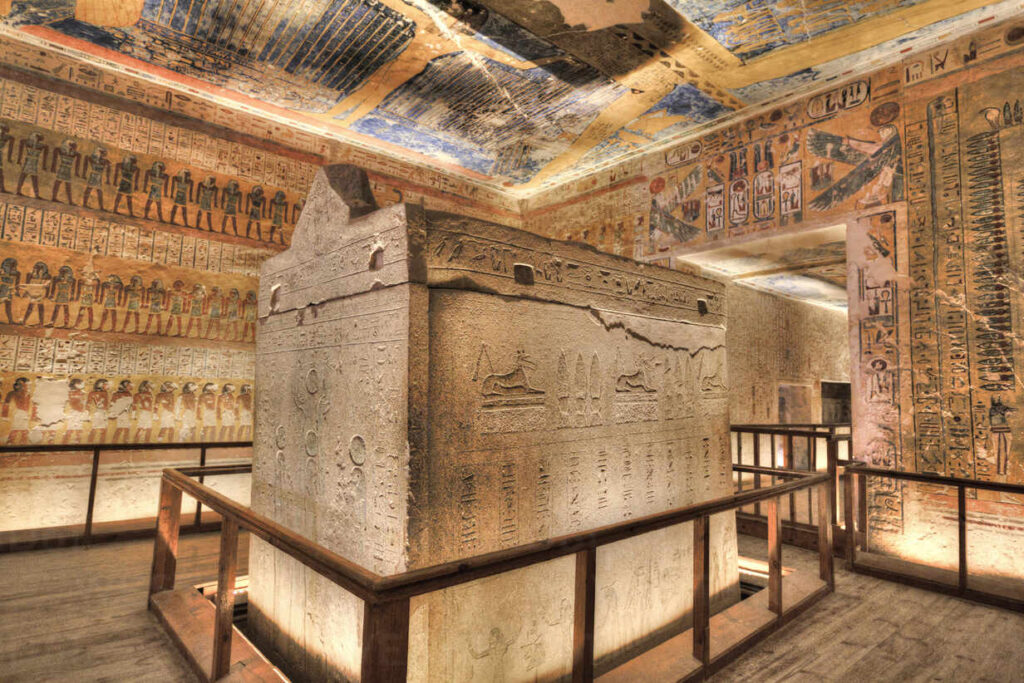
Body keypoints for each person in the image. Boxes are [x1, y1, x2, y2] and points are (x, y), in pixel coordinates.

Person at [15, 132, 48, 198]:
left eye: (38, 138)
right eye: (36, 138)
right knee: (24, 176)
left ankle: (36, 194)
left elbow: (46, 147)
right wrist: (19, 159)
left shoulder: (39, 145)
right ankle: (18, 191)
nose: (36, 139)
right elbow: (22, 141)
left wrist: (44, 165)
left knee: (33, 178)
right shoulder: (29, 143)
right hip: (29, 161)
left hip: (33, 162)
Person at [2, 377, 34, 445]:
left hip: (24, 415)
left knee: (24, 432)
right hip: (18, 414)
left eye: (29, 385)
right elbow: (6, 404)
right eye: (27, 385)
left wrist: (32, 416)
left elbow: (31, 405)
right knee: (16, 430)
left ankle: (22, 445)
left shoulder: (28, 394)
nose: (28, 387)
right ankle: (10, 444)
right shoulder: (12, 393)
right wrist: (4, 415)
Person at [50, 139, 80, 204]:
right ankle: (54, 198)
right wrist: (53, 166)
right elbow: (56, 149)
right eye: (74, 146)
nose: (75, 148)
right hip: (62, 168)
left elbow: (78, 155)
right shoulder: (63, 151)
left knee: (67, 185)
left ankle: (70, 201)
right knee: (58, 183)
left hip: (67, 170)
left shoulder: (73, 153)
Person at [109, 379, 134, 443]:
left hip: (125, 413)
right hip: (120, 413)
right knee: (123, 428)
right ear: (124, 386)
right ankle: (116, 443)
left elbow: (130, 405)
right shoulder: (117, 394)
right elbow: (112, 403)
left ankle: (120, 442)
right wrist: (112, 413)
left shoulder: (129, 394)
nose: (130, 386)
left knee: (124, 428)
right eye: (129, 385)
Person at [63, 378, 86, 444]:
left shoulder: (82, 393)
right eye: (81, 383)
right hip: (74, 412)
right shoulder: (71, 393)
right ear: (76, 384)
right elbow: (71, 402)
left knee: (78, 429)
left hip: (80, 412)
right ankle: (65, 442)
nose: (83, 385)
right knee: (71, 429)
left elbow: (83, 402)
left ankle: (77, 442)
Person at [86, 378, 110, 443]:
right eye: (106, 384)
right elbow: (88, 404)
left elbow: (106, 404)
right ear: (101, 384)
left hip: (102, 412)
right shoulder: (96, 393)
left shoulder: (104, 392)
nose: (108, 386)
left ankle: (99, 444)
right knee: (98, 430)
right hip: (99, 413)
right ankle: (90, 443)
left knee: (102, 430)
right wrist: (87, 415)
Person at [0, 257, 20, 325]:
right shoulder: (3, 270)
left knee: (8, 305)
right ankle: (10, 321)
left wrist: (16, 290)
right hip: (4, 288)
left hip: (9, 288)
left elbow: (17, 282)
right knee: (5, 303)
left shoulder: (15, 272)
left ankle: (10, 321)